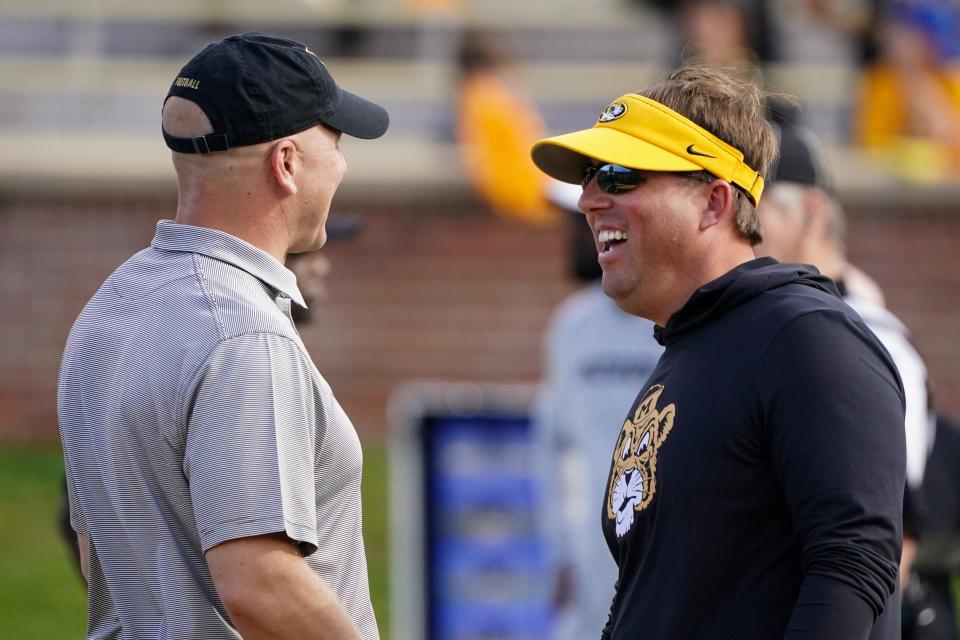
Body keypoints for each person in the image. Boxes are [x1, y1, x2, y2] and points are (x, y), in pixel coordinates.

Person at [530, 64, 906, 638]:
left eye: (618, 175)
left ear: (714, 202)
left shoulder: (805, 337)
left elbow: (852, 566)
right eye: (587, 178)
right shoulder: (686, 354)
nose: (588, 200)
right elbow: (645, 595)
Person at [57, 32, 388, 640]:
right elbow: (259, 586)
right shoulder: (244, 336)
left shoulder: (107, 308)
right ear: (286, 164)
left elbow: (95, 551)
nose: (342, 163)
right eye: (335, 142)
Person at [755, 117, 932, 575]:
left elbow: (891, 537)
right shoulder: (755, 321)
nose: (741, 221)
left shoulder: (871, 336)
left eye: (758, 202)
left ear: (812, 210)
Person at [534, 183, 663, 640]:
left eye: (582, 225)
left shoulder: (671, 319)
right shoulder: (571, 325)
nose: (575, 236)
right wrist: (562, 551)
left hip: (662, 562)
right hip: (589, 567)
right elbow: (554, 448)